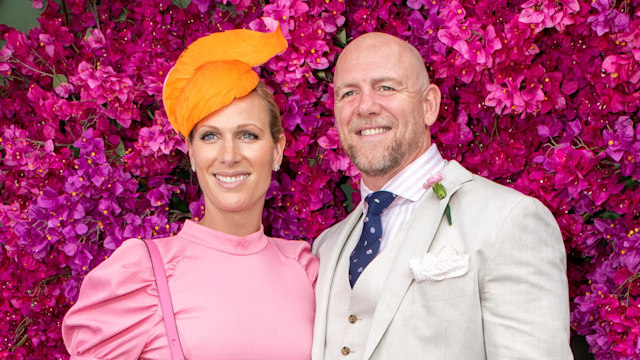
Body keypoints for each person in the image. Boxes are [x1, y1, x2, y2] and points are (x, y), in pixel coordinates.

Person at [63, 25, 318, 359]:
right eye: (210, 136)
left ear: (277, 150)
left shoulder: (304, 268)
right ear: (192, 154)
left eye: (248, 135)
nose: (229, 155)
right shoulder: (143, 272)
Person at [311, 32, 572, 359]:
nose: (365, 106)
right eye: (349, 92)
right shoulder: (327, 246)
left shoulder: (509, 219)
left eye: (386, 87)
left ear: (428, 105)